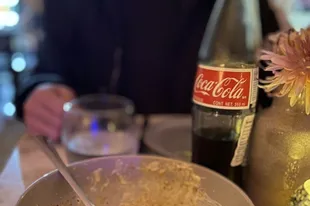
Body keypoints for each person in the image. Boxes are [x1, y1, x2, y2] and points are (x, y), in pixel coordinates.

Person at [14, 0, 281, 141]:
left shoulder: (241, 5)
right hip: (95, 150)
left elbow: (273, 87)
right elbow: (47, 69)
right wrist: (39, 91)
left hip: (204, 156)